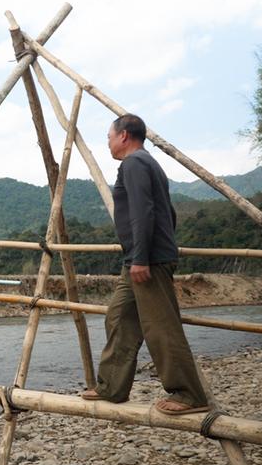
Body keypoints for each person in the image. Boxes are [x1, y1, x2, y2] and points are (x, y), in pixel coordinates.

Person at [81, 114, 209, 415]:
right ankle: (112, 386)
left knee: (160, 326)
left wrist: (142, 257)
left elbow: (143, 211)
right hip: (137, 258)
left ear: (124, 135)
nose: (108, 143)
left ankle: (189, 394)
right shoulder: (147, 163)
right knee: (119, 316)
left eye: (109, 137)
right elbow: (169, 213)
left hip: (147, 259)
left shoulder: (135, 163)